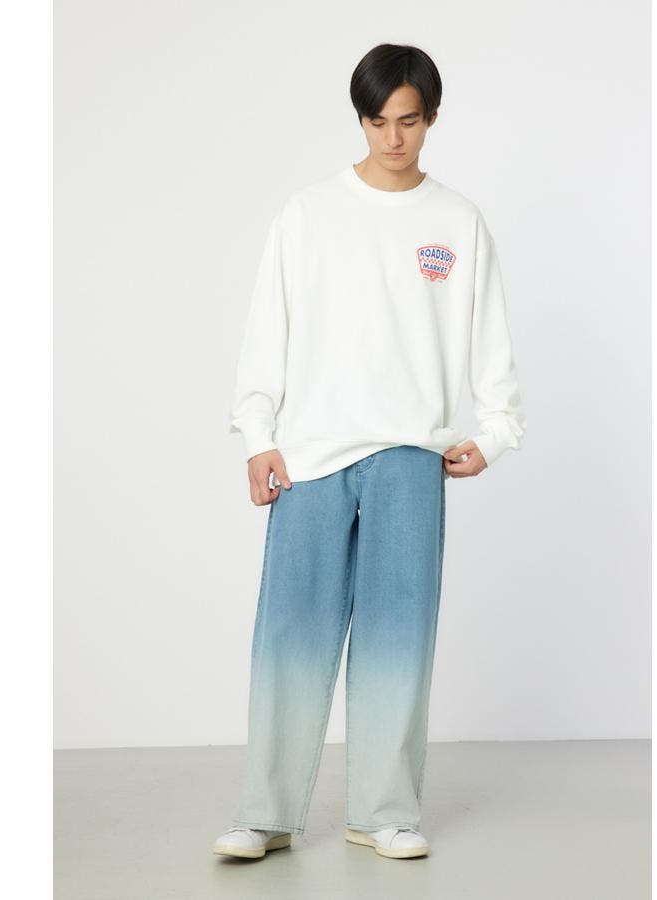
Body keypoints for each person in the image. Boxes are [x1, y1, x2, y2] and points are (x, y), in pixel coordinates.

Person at [212, 42, 527, 861]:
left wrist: (494, 432)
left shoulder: (457, 221)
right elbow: (267, 328)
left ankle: (383, 810)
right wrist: (258, 434)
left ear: (432, 118)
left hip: (411, 454)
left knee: (399, 634)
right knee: (290, 632)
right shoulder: (309, 213)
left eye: (409, 121)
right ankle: (265, 812)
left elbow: (489, 336)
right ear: (360, 119)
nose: (393, 138)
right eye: (378, 121)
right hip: (312, 451)